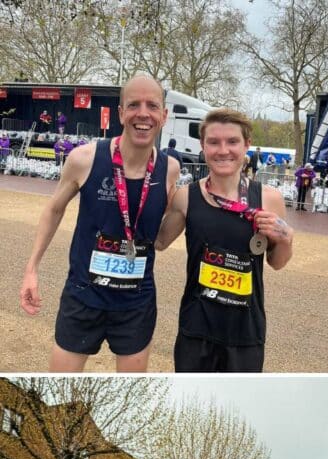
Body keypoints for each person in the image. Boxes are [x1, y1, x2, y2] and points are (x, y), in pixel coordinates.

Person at [19, 75, 180, 372]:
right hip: (84, 294)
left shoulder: (169, 169)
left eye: (152, 105)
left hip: (136, 301)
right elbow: (53, 210)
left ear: (163, 116)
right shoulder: (84, 159)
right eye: (133, 105)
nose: (142, 113)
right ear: (120, 113)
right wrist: (31, 269)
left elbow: (161, 238)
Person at [155, 108, 293, 373]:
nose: (223, 150)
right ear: (203, 146)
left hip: (245, 331)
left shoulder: (269, 199)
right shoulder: (186, 197)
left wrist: (286, 239)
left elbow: (277, 262)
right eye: (214, 142)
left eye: (232, 142)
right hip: (196, 329)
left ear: (247, 145)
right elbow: (159, 242)